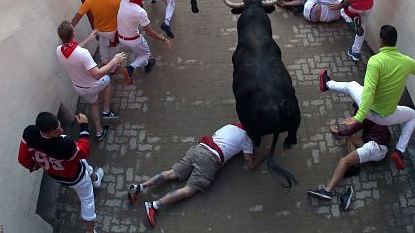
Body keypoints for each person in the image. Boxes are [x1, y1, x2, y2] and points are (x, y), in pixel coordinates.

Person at [318, 25, 415, 170]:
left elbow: (369, 91)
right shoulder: (408, 62)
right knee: (412, 115)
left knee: (351, 85)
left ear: (380, 41)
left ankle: (326, 84)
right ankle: (399, 151)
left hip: (369, 112)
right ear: (395, 42)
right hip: (387, 117)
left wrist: (359, 117)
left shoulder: (375, 61)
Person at [126, 123, 270, 227]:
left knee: (171, 173)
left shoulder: (230, 125)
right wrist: (265, 154)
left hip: (199, 148)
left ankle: (139, 187)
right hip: (210, 160)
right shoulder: (247, 140)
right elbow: (250, 165)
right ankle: (154, 205)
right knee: (188, 190)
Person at [18, 112, 105, 232]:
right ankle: (90, 231)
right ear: (46, 132)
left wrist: (38, 164)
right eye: (56, 131)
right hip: (77, 177)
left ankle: (94, 178)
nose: (61, 131)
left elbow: (23, 159)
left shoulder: (29, 133)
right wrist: (84, 127)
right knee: (87, 200)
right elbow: (84, 151)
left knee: (85, 165)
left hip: (58, 175)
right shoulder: (63, 145)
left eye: (59, 126)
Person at [55, 21, 125, 139]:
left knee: (93, 104)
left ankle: (99, 131)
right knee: (107, 80)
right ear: (74, 33)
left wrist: (88, 39)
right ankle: (106, 111)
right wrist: (114, 61)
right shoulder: (83, 54)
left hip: (79, 88)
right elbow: (97, 74)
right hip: (93, 86)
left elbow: (74, 51)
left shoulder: (59, 50)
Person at [306, 119, 391, 210]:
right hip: (376, 143)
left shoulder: (365, 117)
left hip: (375, 148)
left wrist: (335, 131)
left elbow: (349, 131)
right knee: (350, 139)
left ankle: (327, 191)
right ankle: (355, 167)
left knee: (344, 161)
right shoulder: (374, 115)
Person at [116, 0, 174, 79]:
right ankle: (130, 68)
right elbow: (149, 32)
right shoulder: (140, 12)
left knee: (140, 52)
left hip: (121, 38)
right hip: (134, 40)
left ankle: (147, 65)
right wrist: (164, 39)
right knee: (146, 54)